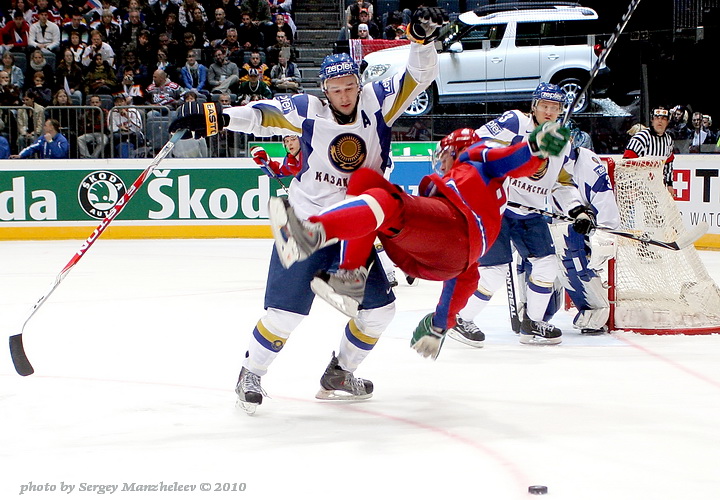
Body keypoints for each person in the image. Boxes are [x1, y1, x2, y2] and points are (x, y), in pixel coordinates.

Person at [169, 6, 448, 413]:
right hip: (304, 223)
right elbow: (260, 115)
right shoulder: (306, 110)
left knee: (380, 311)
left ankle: (339, 372)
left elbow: (417, 76)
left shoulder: (380, 103)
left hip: (354, 231)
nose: (345, 95)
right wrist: (215, 117)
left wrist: (422, 41)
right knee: (285, 314)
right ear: (325, 90)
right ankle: (251, 373)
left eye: (350, 86)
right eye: (336, 89)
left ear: (359, 83)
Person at [266, 124, 571, 359]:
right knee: (365, 185)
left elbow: (509, 158)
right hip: (444, 257)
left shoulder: (475, 156)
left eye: (445, 156)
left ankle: (310, 235)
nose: (442, 164)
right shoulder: (486, 207)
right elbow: (465, 276)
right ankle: (350, 276)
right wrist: (439, 324)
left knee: (384, 202)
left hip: (448, 228)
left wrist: (534, 147)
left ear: (456, 150)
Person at [453, 83, 581, 346]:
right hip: (497, 210)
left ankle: (532, 323)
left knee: (546, 265)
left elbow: (562, 182)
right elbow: (476, 144)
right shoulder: (515, 121)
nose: (549, 111)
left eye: (554, 107)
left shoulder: (562, 140)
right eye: (544, 105)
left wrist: (577, 209)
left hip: (530, 215)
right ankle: (460, 319)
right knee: (494, 273)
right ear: (534, 106)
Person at [548, 146, 620, 335]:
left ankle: (593, 309)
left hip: (579, 231)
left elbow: (608, 218)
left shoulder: (588, 165)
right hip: (547, 227)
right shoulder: (536, 161)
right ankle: (533, 314)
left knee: (569, 243)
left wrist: (599, 238)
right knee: (530, 253)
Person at [623, 107, 675, 195]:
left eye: (663, 118)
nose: (660, 121)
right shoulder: (641, 138)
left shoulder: (668, 140)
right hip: (638, 189)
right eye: (657, 118)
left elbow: (668, 163)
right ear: (652, 120)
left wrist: (670, 184)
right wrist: (630, 185)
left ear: (667, 122)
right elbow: (627, 162)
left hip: (658, 187)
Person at [77, 94, 109, 158]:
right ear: (90, 103)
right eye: (93, 102)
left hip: (101, 133)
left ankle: (94, 157)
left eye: (97, 102)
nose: (95, 104)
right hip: (89, 133)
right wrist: (94, 126)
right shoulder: (86, 113)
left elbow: (105, 125)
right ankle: (86, 157)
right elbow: (83, 127)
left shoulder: (105, 112)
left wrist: (92, 126)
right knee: (79, 139)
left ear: (100, 103)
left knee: (103, 140)